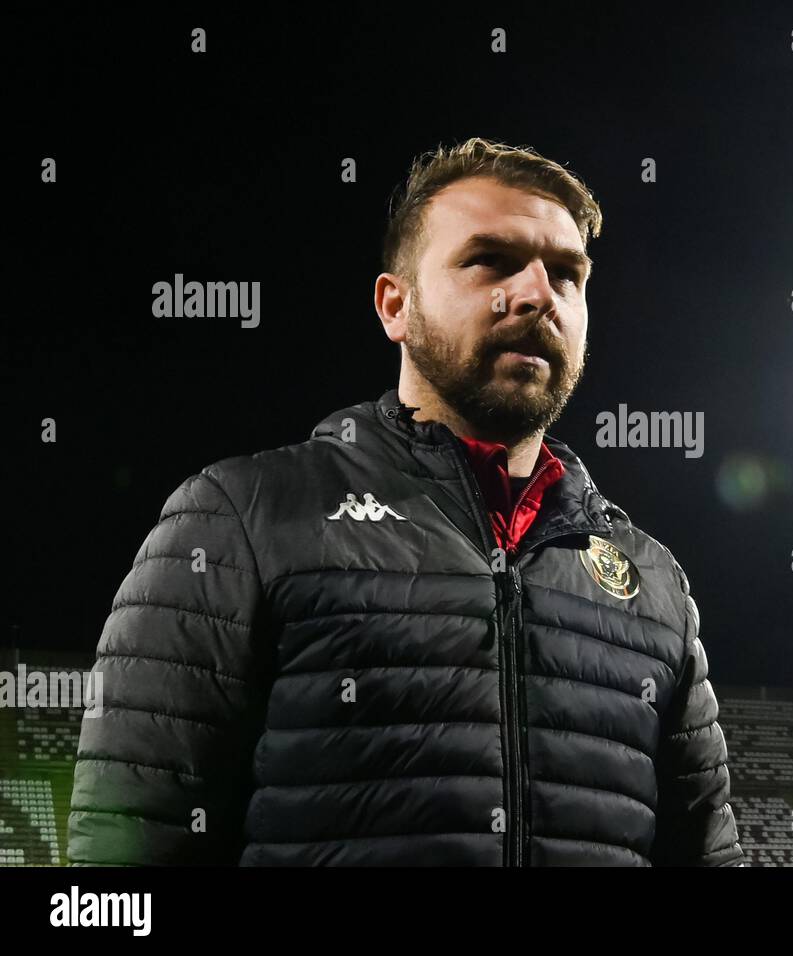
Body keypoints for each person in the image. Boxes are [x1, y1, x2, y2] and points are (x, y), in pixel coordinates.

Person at [67, 138, 744, 866]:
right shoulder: (241, 516)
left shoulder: (652, 580)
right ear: (395, 305)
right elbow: (124, 860)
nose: (537, 294)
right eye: (491, 260)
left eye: (566, 274)